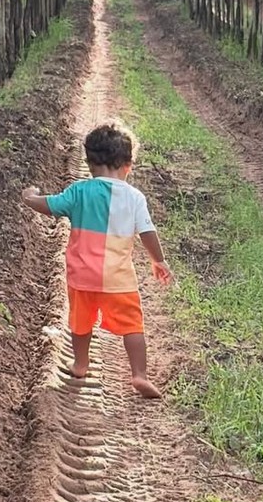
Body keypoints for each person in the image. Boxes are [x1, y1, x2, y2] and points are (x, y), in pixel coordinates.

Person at [21, 124, 172, 399]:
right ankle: (139, 374)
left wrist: (30, 197)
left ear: (89, 164)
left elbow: (50, 205)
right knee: (133, 326)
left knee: (81, 323)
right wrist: (159, 261)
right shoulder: (135, 198)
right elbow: (148, 232)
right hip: (119, 279)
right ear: (128, 165)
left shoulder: (79, 191)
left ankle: (80, 364)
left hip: (82, 277)